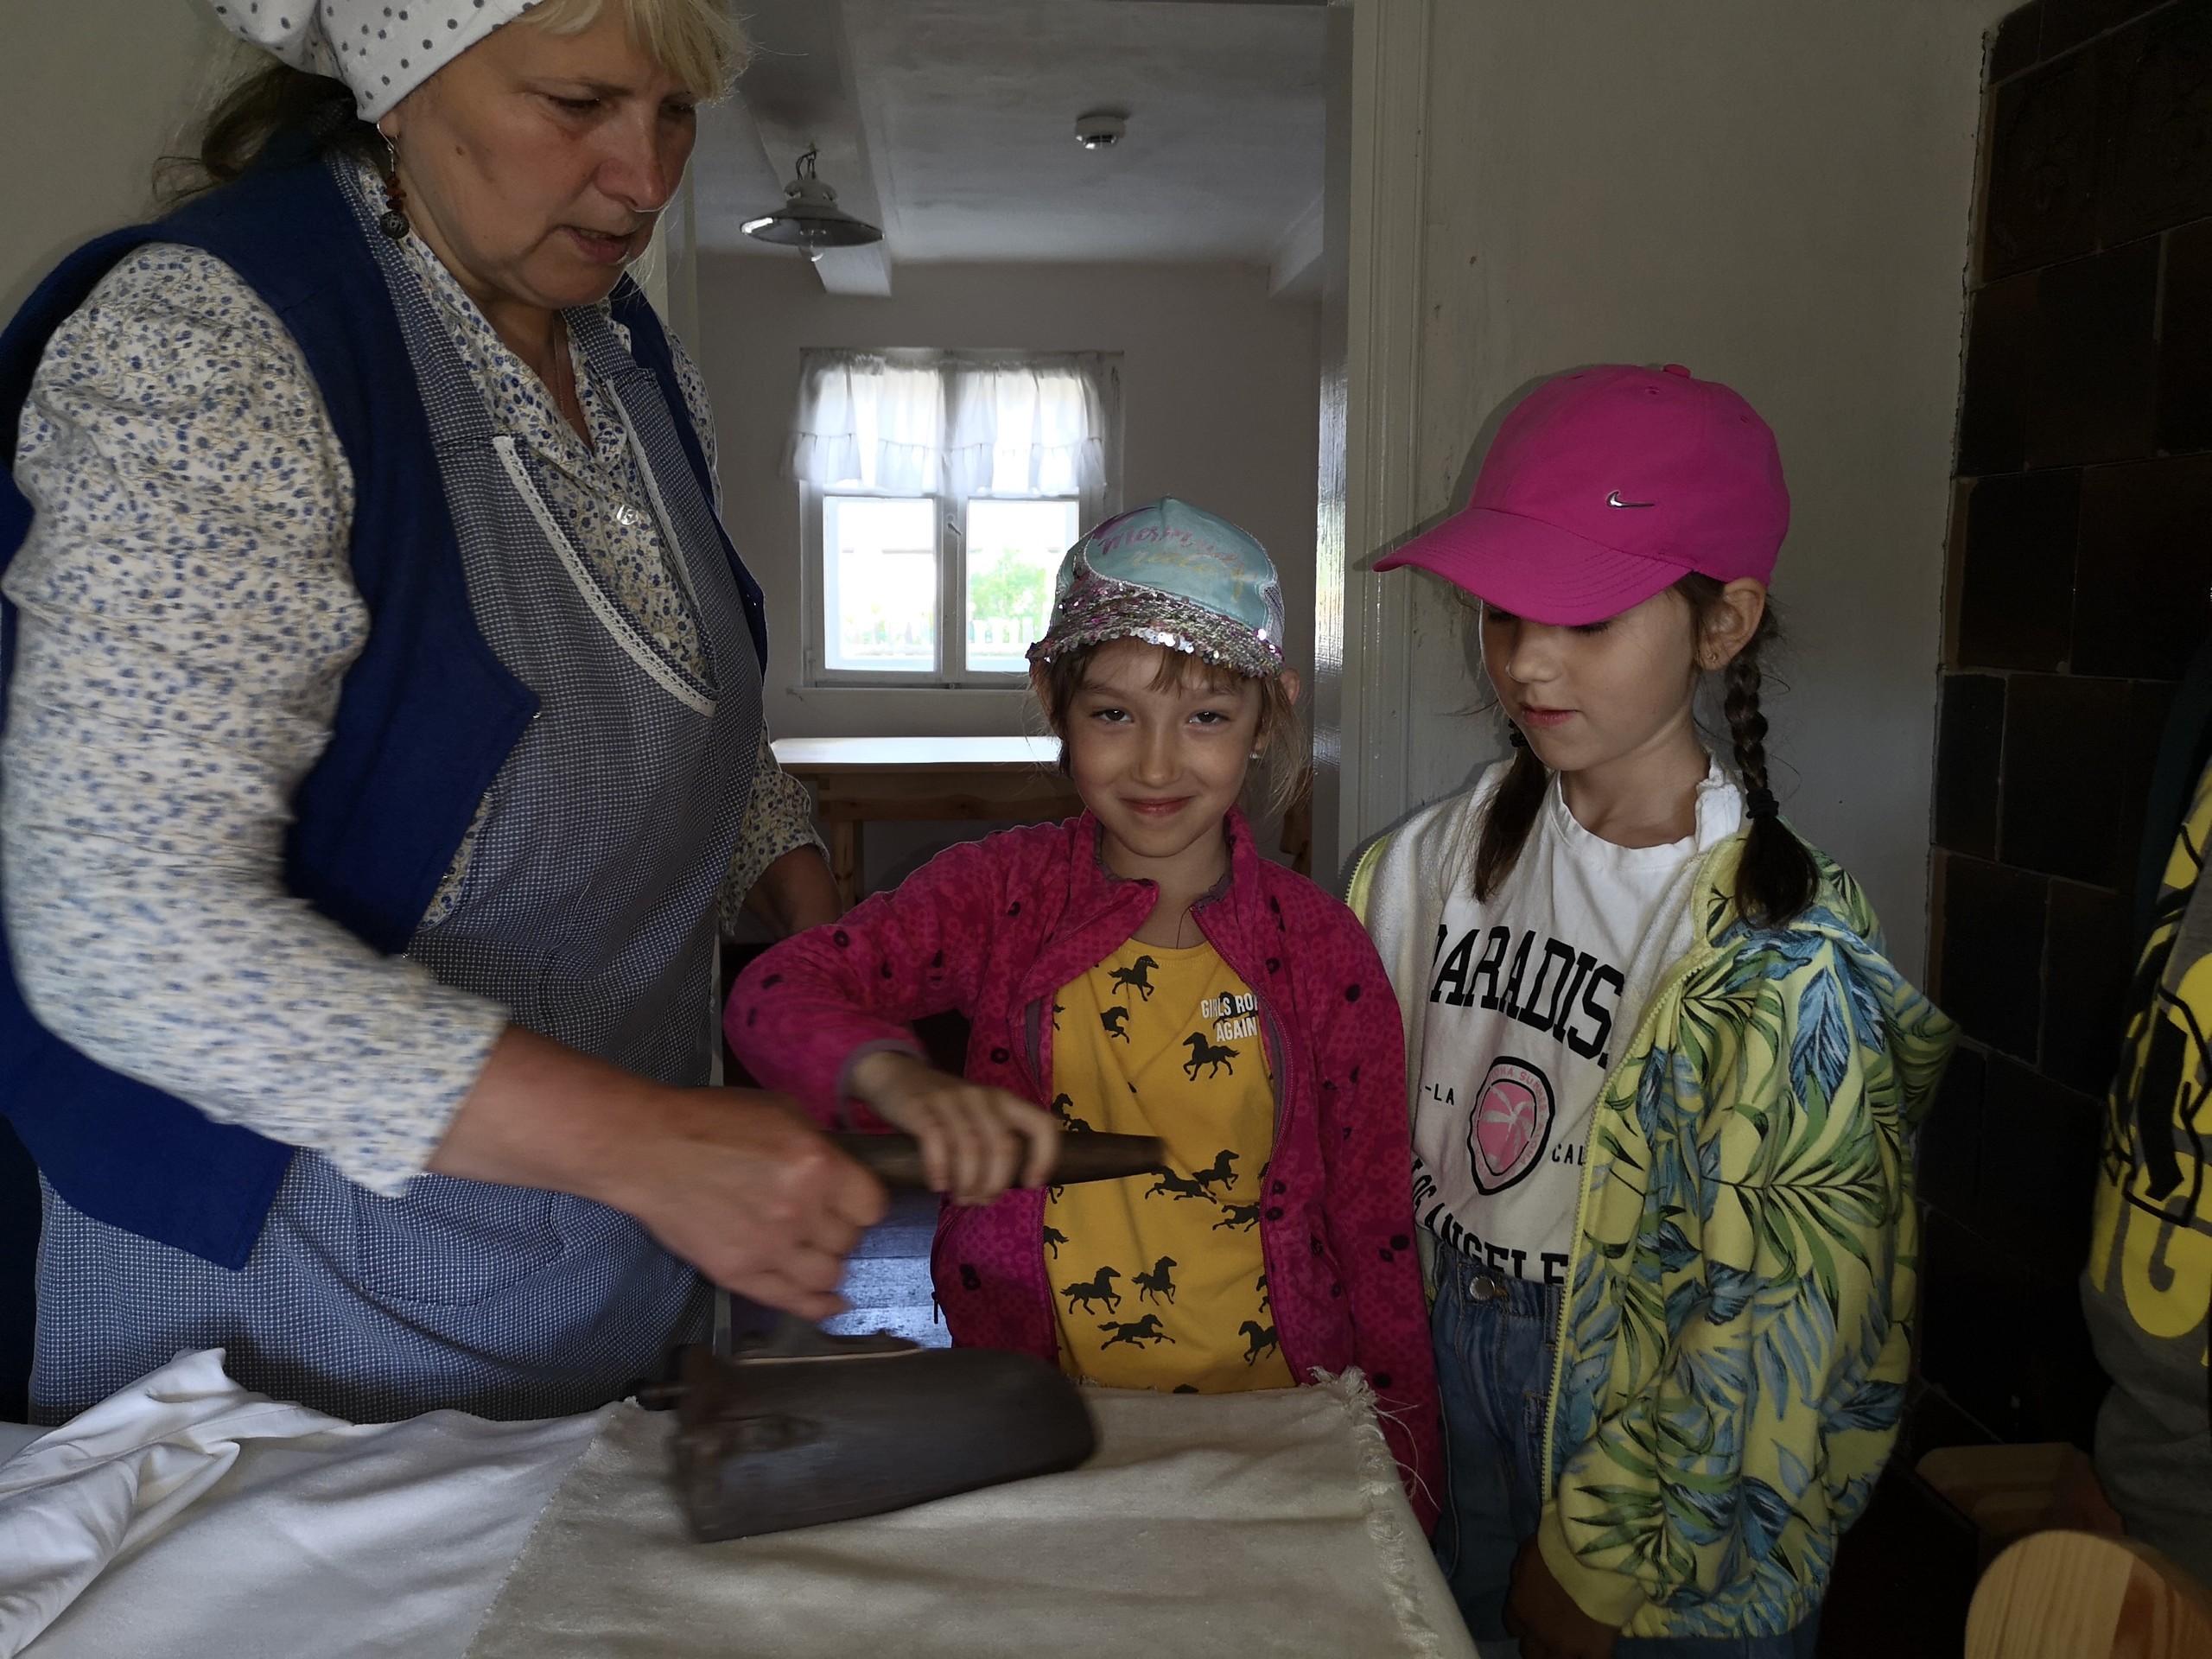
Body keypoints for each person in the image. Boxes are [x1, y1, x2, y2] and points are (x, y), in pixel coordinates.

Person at [0, 0, 883, 1427]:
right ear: (398, 83)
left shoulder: (631, 360)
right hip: (282, 1311)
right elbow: (126, 928)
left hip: (601, 1273)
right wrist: (646, 1144)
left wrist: (815, 923)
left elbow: (664, 702)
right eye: (579, 105)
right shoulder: (218, 343)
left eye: (674, 112)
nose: (645, 177)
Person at [1351, 366, 1955, 1656]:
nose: (1527, 659)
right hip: (1453, 1367)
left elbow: (1786, 1319)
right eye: (1504, 611)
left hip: (1660, 1437)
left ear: (1721, 624)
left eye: (1587, 618)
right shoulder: (1437, 863)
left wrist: (1610, 1558)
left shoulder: (1780, 959)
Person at [728, 498, 1440, 1520]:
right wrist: (899, 1082)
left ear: (1269, 714)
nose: (1155, 764)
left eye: (1206, 717)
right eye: (1114, 714)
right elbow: (777, 988)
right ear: (1050, 700)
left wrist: (1407, 1481)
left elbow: (1374, 1232)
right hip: (1034, 1418)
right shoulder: (996, 897)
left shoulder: (1323, 951)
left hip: (1278, 1429)